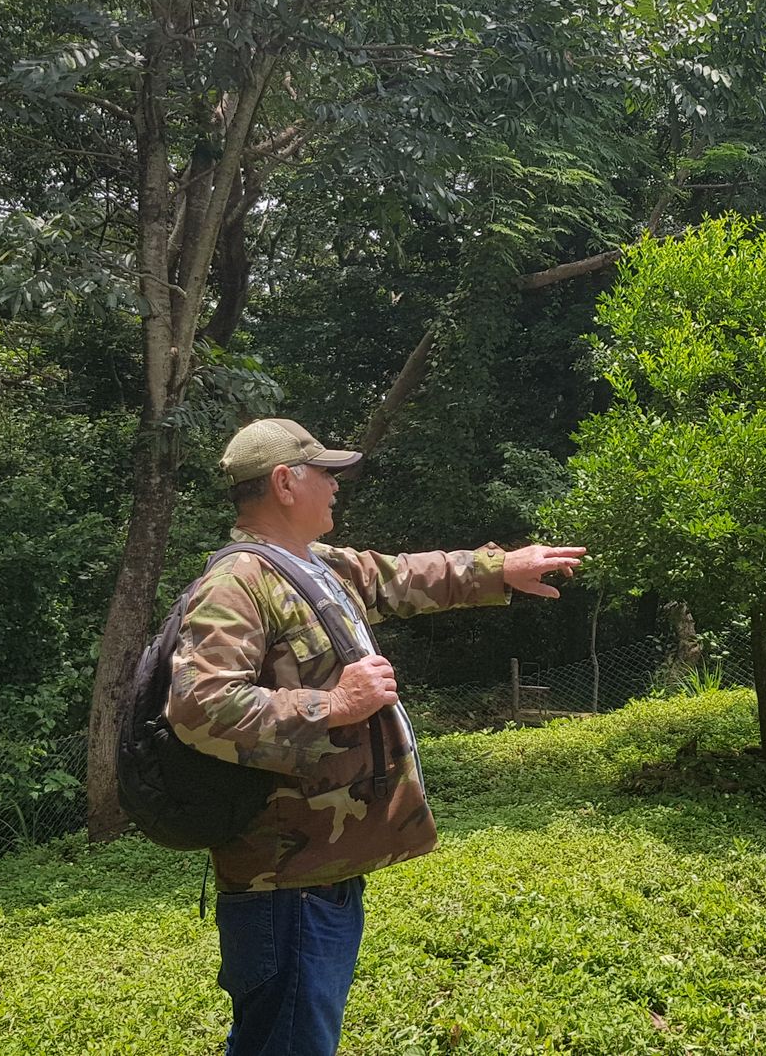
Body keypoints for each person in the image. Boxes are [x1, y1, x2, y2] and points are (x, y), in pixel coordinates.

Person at [166, 416, 584, 1056]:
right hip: (284, 881)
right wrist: (331, 705)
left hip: (318, 874)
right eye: (325, 474)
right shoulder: (238, 583)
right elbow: (199, 704)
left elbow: (403, 576)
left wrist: (501, 568)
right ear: (284, 482)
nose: (336, 487)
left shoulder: (314, 566)